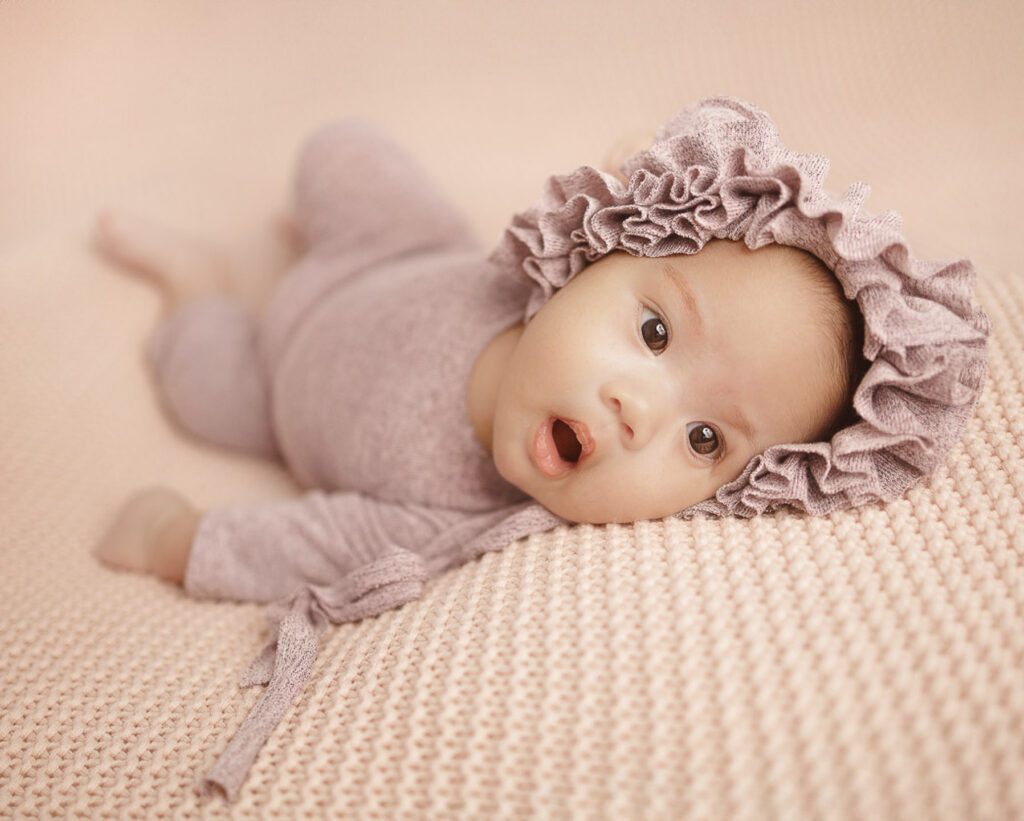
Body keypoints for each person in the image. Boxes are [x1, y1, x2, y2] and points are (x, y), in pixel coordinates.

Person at [90, 97, 988, 797]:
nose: (641, 414)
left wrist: (181, 539)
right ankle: (304, 243)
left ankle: (196, 281)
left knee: (200, 384)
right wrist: (637, 168)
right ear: (598, 256)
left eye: (704, 437)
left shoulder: (450, 512)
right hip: (389, 253)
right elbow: (625, 175)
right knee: (343, 151)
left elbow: (308, 542)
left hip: (274, 389)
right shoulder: (514, 275)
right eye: (654, 332)